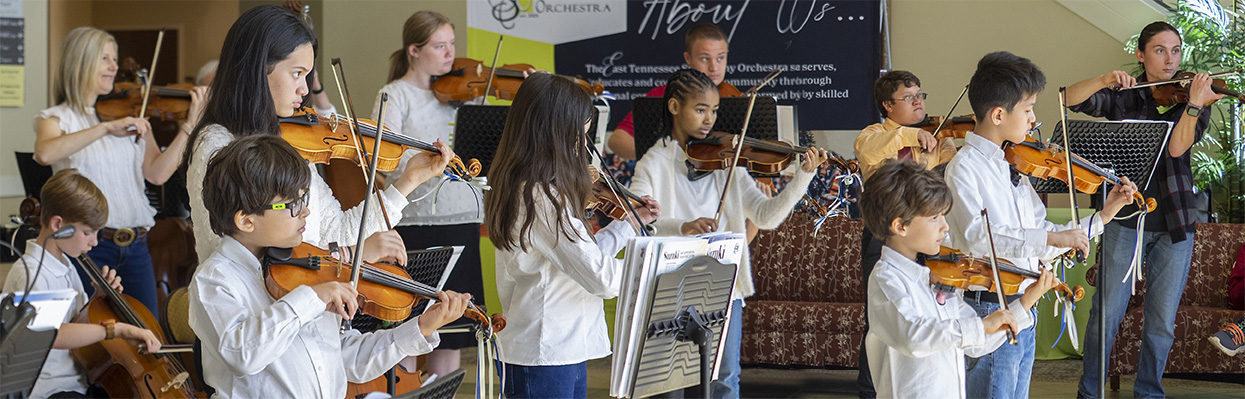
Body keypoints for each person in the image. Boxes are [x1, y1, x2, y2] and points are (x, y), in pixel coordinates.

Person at [187, 134, 471, 398]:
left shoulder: (304, 267)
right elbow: (242, 355)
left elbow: (345, 358)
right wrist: (312, 298)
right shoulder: (214, 280)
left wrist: (418, 328)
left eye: (304, 199)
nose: (306, 211)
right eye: (293, 204)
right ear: (246, 220)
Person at [184, 5, 453, 266]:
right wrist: (348, 256)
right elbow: (227, 259)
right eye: (297, 74)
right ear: (257, 70)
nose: (304, 89)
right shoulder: (216, 144)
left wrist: (408, 180)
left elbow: (334, 231)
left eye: (307, 75)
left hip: (317, 305)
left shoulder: (292, 140)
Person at [944, 51, 1139, 399]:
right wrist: (1052, 235)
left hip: (1024, 304)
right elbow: (978, 238)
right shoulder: (964, 168)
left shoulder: (1010, 166)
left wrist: (1103, 217)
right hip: (989, 306)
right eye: (1029, 108)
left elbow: (1041, 237)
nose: (1034, 119)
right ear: (999, 114)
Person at [628, 68, 827, 398]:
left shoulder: (727, 160)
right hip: (672, 285)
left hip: (723, 285)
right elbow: (640, 219)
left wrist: (801, 178)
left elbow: (765, 217)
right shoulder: (655, 161)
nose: (709, 120)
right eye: (701, 109)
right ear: (675, 107)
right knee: (668, 385)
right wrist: (683, 227)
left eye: (715, 111)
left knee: (724, 377)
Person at [1064, 21, 1223, 398]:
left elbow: (1176, 148)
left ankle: (1148, 392)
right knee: (1106, 313)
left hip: (1176, 221)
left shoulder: (1196, 97)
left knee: (1161, 322)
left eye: (1176, 50)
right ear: (1140, 55)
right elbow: (1068, 99)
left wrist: (1196, 103)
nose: (1170, 60)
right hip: (1125, 218)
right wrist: (1104, 78)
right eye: (1160, 50)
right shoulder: (1124, 94)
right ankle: (1090, 392)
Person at [486, 73, 660, 399]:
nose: (583, 146)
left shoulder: (542, 190)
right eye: (580, 135)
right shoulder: (541, 196)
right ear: (553, 133)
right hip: (544, 352)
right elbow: (600, 277)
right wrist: (658, 264)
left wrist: (629, 226)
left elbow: (582, 260)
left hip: (561, 348)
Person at [34, 26, 205, 318]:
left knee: (147, 332)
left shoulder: (132, 116)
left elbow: (157, 174)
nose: (115, 67)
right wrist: (104, 128)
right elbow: (44, 153)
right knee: (93, 339)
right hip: (90, 247)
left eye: (114, 59)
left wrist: (189, 127)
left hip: (136, 246)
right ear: (81, 61)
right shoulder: (57, 118)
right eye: (105, 59)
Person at [861, 159, 1048, 399]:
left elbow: (975, 344)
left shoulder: (935, 277)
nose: (945, 227)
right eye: (934, 218)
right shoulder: (885, 280)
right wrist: (980, 326)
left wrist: (1022, 306)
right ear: (900, 226)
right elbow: (912, 336)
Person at [371, 10, 488, 377]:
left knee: (452, 331)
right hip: (416, 224)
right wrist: (422, 158)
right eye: (440, 46)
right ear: (414, 51)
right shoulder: (394, 94)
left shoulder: (464, 95)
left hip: (463, 220)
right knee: (409, 325)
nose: (450, 54)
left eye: (452, 44)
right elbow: (382, 161)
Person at [2, 169, 162, 399]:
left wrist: (99, 299)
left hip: (76, 383)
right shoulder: (32, 271)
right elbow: (52, 334)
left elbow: (76, 322)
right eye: (87, 232)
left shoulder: (66, 265)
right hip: (45, 391)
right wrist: (114, 329)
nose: (95, 242)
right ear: (58, 224)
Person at [852, 69, 958, 397]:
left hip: (924, 238)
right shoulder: (873, 135)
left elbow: (950, 181)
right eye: (908, 97)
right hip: (885, 237)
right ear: (887, 105)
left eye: (919, 95)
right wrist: (910, 136)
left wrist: (949, 152)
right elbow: (870, 152)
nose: (918, 102)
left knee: (929, 313)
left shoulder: (935, 137)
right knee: (882, 324)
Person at [607, 23, 742, 161]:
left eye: (720, 58)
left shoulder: (737, 98)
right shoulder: (666, 94)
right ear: (688, 58)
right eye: (705, 59)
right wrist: (665, 159)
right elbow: (617, 140)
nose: (714, 67)